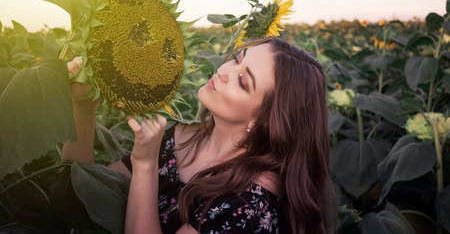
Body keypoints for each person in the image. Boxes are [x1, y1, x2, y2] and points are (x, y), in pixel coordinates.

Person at [63, 36, 334, 234]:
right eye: (237, 60)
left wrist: (145, 165)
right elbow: (83, 189)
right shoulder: (181, 139)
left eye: (242, 81)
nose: (223, 71)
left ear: (266, 120)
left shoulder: (250, 205)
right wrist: (81, 105)